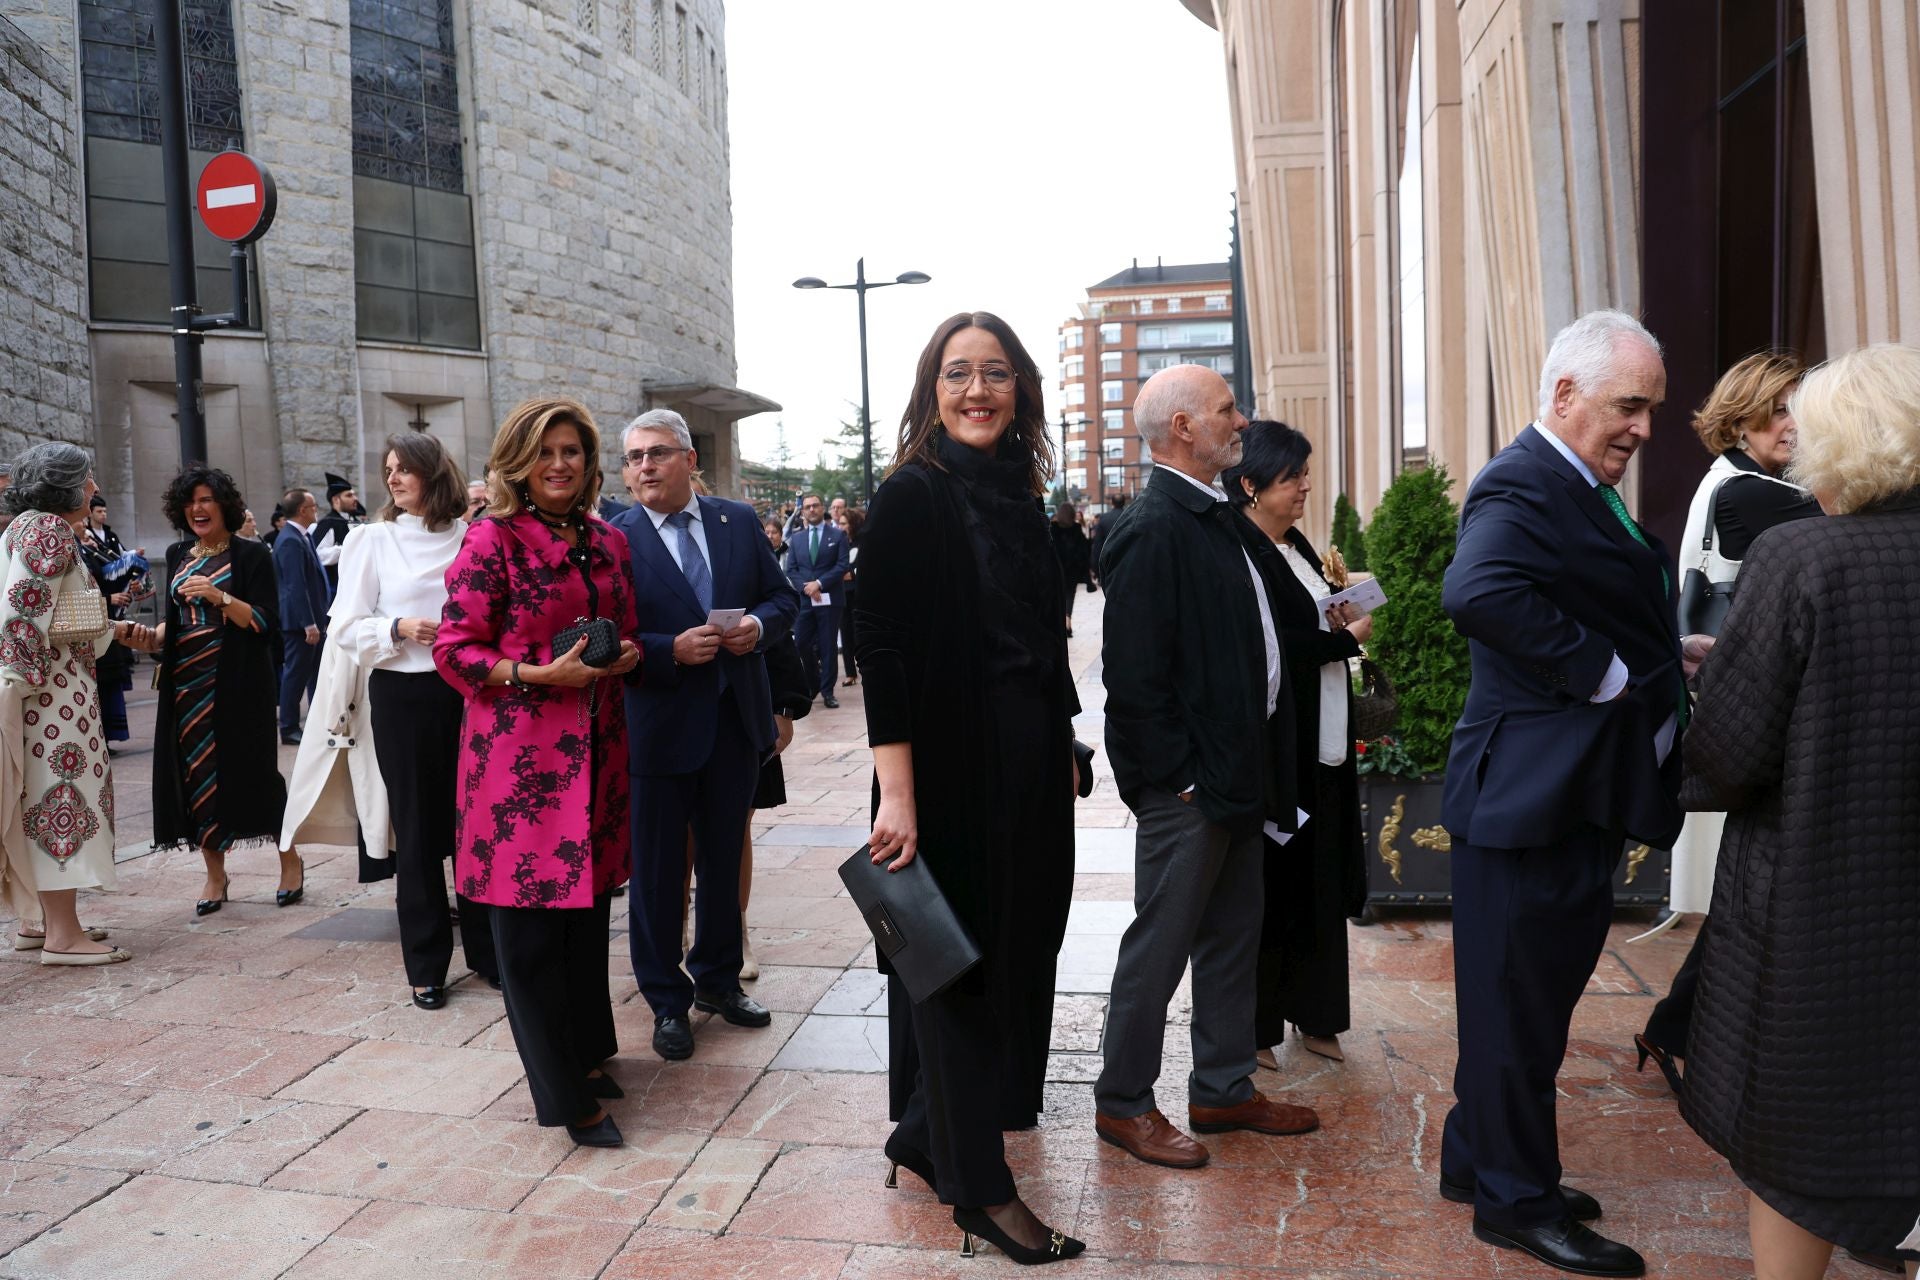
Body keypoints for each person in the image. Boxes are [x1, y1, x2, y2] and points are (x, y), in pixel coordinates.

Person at [1438, 310, 1688, 1279]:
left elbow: (1595, 592)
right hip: (1523, 802)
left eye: (1653, 408)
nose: (1643, 427)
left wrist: (1669, 653)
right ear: (1565, 394)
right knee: (1514, 1010)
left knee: (1524, 1005)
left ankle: (1477, 1157)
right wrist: (1607, 673)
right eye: (1631, 404)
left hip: (1560, 796)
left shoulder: (1575, 481)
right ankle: (1514, 1200)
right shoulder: (1525, 478)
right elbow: (1477, 591)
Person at [1677, 343, 1920, 1280]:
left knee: (1796, 1146)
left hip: (1819, 909)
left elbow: (1732, 756)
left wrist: (1723, 683)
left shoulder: (1799, 557)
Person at [858, 310, 1085, 1265]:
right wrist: (896, 794)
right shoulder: (913, 493)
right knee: (952, 974)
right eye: (958, 374)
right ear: (932, 392)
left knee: (1019, 953)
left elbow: (1041, 630)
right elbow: (883, 650)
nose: (978, 390)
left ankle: (923, 1131)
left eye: (995, 373)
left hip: (1030, 760)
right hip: (947, 770)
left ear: (1021, 389)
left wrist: (1066, 736)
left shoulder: (1023, 495)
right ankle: (981, 1193)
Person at [1094, 364, 1312, 1175]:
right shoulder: (1156, 526)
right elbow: (1135, 678)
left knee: (1230, 936)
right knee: (1161, 945)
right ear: (1182, 428)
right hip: (1191, 785)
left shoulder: (1212, 514)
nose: (1241, 421)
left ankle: (1222, 1088)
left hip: (1235, 771)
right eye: (1226, 410)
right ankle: (1122, 1103)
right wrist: (1177, 778)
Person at [434, 397, 640, 1148]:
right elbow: (454, 650)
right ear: (520, 461)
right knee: (527, 938)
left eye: (573, 453)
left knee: (585, 920)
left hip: (599, 754)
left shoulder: (608, 541)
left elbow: (630, 630)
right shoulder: (491, 541)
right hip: (518, 765)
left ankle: (585, 1056)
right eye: (546, 452)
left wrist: (627, 655)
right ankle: (564, 1096)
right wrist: (532, 673)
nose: (560, 465)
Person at [1635, 351, 1821, 1093]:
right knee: (1763, 885)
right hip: (1757, 720)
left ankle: (1676, 1028)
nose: (1792, 424)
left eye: (1800, 408)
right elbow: (1853, 508)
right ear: (1740, 416)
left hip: (1749, 712)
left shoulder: (1748, 486)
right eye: (1777, 409)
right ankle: (1679, 1029)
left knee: (1759, 885)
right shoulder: (1750, 494)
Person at [610, 409, 797, 1062]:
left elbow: (784, 600)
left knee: (723, 864)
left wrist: (758, 626)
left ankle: (718, 982)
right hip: (657, 729)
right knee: (659, 876)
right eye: (633, 458)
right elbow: (597, 635)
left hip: (732, 723)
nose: (644, 467)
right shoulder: (613, 536)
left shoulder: (738, 522)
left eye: (657, 453)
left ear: (690, 459)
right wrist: (664, 650)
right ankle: (667, 1001)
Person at [329, 432, 498, 1010]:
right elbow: (344, 627)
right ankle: (425, 965)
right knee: (419, 832)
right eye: (389, 470)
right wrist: (398, 627)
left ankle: (488, 954)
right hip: (403, 694)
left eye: (405, 470)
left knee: (476, 824)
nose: (394, 480)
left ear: (434, 474)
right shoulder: (371, 539)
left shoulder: (473, 537)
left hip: (472, 692)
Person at [1221, 420, 1368, 1068]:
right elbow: (1278, 644)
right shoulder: (1244, 549)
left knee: (1321, 885)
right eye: (1293, 478)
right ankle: (1255, 1031)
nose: (1306, 487)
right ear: (1251, 485)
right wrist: (1348, 636)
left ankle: (1318, 1017)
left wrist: (1340, 608)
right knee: (1274, 892)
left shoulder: (1295, 543)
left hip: (1327, 740)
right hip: (1284, 753)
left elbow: (1312, 616)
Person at [0, 444, 147, 965]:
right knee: (60, 800)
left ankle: (40, 923)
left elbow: (56, 616)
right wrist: (18, 689)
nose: (93, 488)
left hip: (48, 692)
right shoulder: (49, 530)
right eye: (87, 479)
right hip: (53, 700)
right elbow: (21, 617)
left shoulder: (27, 526)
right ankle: (62, 935)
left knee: (41, 802)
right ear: (64, 484)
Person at [144, 465, 302, 914]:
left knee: (257, 773)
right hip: (185, 686)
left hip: (240, 682)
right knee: (196, 777)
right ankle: (215, 876)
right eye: (191, 500)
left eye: (207, 499)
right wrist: (151, 637)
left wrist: (220, 597)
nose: (198, 508)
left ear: (224, 506)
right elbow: (175, 623)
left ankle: (290, 861)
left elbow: (267, 622)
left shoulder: (251, 555)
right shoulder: (178, 554)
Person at [739, 631, 811, 980]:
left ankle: (736, 933)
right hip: (675, 702)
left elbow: (775, 607)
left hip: (744, 709)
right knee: (682, 833)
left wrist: (785, 707)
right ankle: (681, 932)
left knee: (737, 826)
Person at [76, 493, 146, 751]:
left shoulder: (99, 543)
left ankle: (107, 737)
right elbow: (74, 598)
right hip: (94, 626)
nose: (85, 522)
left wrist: (128, 576)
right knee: (101, 687)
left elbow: (106, 575)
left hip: (106, 622)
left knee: (109, 687)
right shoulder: (77, 549)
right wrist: (108, 598)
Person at [273, 488, 328, 745]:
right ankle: (289, 726)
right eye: (313, 506)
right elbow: (295, 586)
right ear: (303, 510)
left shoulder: (300, 536)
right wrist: (308, 623)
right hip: (300, 624)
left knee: (315, 674)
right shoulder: (290, 540)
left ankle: (317, 721)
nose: (316, 510)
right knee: (295, 674)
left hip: (313, 620)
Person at [784, 493, 850, 708]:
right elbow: (790, 569)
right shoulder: (797, 539)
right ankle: (813, 682)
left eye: (815, 506)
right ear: (802, 511)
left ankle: (828, 691)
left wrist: (819, 583)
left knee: (828, 645)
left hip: (830, 599)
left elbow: (842, 566)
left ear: (823, 508)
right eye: (807, 507)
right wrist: (807, 587)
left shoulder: (837, 536)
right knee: (801, 642)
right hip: (805, 600)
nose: (811, 509)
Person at [310, 472, 363, 591]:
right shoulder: (328, 523)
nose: (355, 499)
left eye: (354, 495)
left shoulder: (356, 522)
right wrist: (346, 548)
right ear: (336, 500)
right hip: (336, 587)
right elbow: (318, 555)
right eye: (349, 495)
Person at [1047, 502, 1091, 638]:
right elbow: (1085, 552)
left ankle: (1059, 624)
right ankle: (1068, 624)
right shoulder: (1077, 529)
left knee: (1057, 597)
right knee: (1069, 596)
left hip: (1055, 570)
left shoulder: (1052, 529)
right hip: (1072, 571)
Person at [835, 506, 864, 686]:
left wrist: (852, 574)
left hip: (859, 595)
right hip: (842, 594)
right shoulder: (840, 542)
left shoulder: (864, 541)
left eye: (844, 523)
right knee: (845, 634)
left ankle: (863, 669)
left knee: (859, 634)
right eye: (839, 523)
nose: (841, 526)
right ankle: (850, 673)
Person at [1088, 493, 1126, 585]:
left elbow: (1098, 544)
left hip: (1109, 562)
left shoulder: (1103, 518)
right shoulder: (1131, 516)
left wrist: (1096, 568)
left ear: (1111, 503)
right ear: (1124, 503)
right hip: (1127, 563)